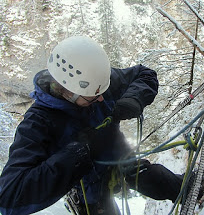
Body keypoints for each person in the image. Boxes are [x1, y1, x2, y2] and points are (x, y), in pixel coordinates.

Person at [0, 36, 184, 215]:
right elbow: (9, 197)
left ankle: (189, 188)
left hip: (119, 155)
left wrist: (133, 98)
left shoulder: (93, 84)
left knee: (149, 177)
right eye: (94, 97)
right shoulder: (38, 123)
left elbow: (145, 74)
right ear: (69, 92)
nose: (102, 98)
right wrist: (79, 153)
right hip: (86, 188)